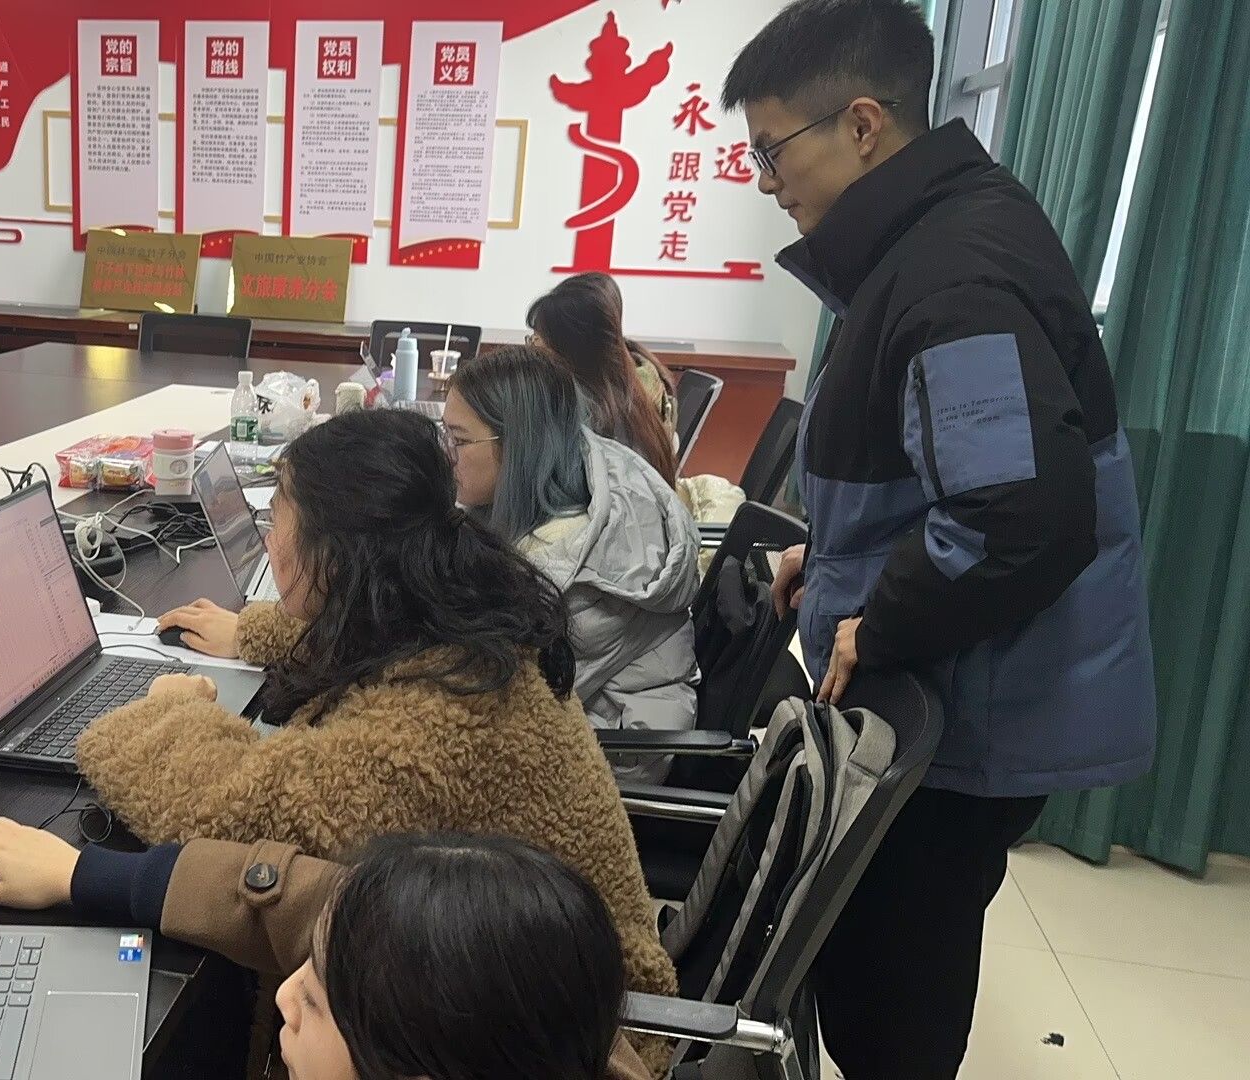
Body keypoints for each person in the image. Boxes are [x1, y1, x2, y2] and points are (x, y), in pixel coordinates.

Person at [721, 2, 1156, 1077]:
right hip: (962, 686)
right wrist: (830, 556)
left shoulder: (954, 274)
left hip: (967, 713)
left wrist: (882, 617)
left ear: (863, 125)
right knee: (877, 973)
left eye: (772, 151)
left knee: (892, 1002)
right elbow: (939, 469)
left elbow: (1019, 515)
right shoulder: (932, 238)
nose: (767, 182)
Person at [77, 408, 678, 1030]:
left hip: (567, 1035)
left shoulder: (429, 731)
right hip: (528, 980)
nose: (269, 539)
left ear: (337, 557)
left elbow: (219, 812)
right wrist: (252, 632)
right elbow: (368, 627)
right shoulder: (458, 618)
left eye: (277, 518)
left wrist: (170, 707)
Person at [0, 820, 652, 1080]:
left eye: (315, 997)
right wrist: (83, 874)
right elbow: (312, 898)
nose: (285, 993)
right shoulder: (536, 1008)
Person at [443, 346, 699, 782]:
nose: (447, 454)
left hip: (610, 760)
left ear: (516, 445)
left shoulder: (569, 567)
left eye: (459, 440)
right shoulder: (576, 466)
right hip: (580, 724)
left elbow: (495, 699)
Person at [526, 271, 680, 479]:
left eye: (538, 341)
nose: (533, 352)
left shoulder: (592, 419)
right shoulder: (638, 373)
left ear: (571, 349)